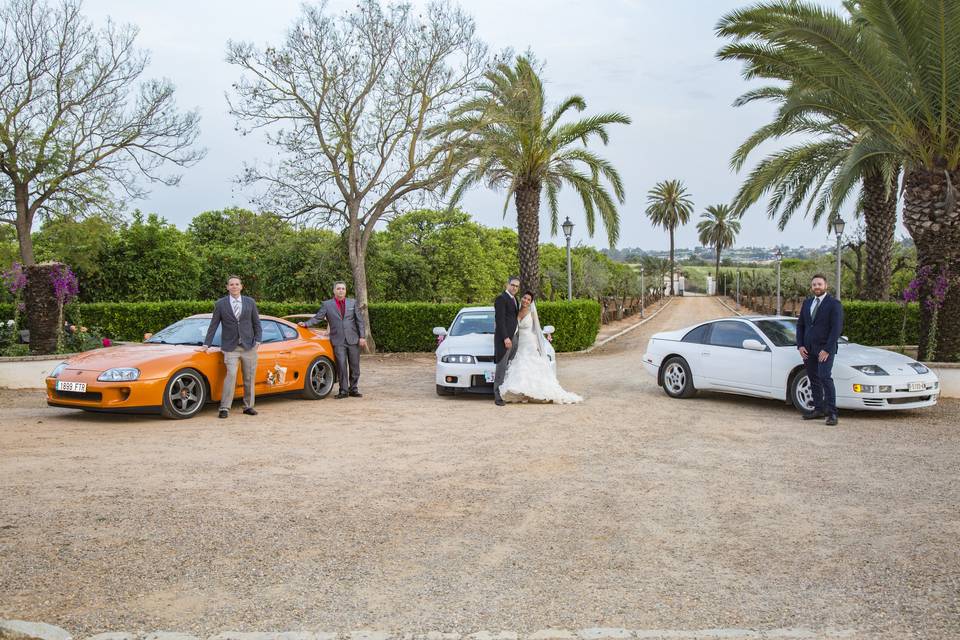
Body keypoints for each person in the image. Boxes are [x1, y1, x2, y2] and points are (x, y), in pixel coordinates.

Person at [498, 291, 583, 404]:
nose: (526, 301)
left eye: (529, 299)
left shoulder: (532, 313)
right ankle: (523, 393)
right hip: (518, 342)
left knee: (531, 366)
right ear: (521, 298)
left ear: (531, 302)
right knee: (521, 367)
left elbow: (536, 330)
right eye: (524, 298)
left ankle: (536, 393)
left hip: (530, 342)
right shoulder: (516, 311)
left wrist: (539, 344)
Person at [203, 275, 262, 419]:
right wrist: (206, 344)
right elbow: (214, 325)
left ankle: (248, 406)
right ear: (227, 287)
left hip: (249, 346)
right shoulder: (220, 304)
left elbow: (256, 323)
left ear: (241, 286)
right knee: (231, 376)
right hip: (230, 347)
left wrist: (258, 340)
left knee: (249, 377)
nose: (234, 286)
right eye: (231, 284)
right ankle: (224, 408)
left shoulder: (250, 302)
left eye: (237, 284)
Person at [299, 281, 367, 399]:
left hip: (353, 339)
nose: (341, 291)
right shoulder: (327, 305)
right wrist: (306, 324)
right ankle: (343, 390)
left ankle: (353, 389)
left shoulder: (352, 303)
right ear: (334, 291)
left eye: (343, 289)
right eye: (338, 289)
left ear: (345, 291)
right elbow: (318, 318)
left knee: (355, 366)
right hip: (338, 340)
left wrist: (362, 337)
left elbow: (359, 321)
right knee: (341, 366)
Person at [796, 273, 844, 426]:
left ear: (826, 286)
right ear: (812, 287)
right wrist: (800, 345)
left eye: (819, 284)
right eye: (814, 284)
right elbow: (801, 326)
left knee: (825, 377)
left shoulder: (834, 304)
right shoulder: (807, 303)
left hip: (825, 349)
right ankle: (818, 409)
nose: (817, 287)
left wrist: (827, 349)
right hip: (808, 349)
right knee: (813, 379)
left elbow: (836, 329)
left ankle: (832, 414)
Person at [493, 276, 521, 406]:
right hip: (505, 339)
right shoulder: (501, 299)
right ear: (507, 284)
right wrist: (505, 338)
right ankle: (498, 396)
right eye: (513, 285)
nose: (514, 287)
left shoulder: (514, 299)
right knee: (501, 367)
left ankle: (506, 392)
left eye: (517, 286)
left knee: (510, 366)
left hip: (514, 338)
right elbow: (500, 321)